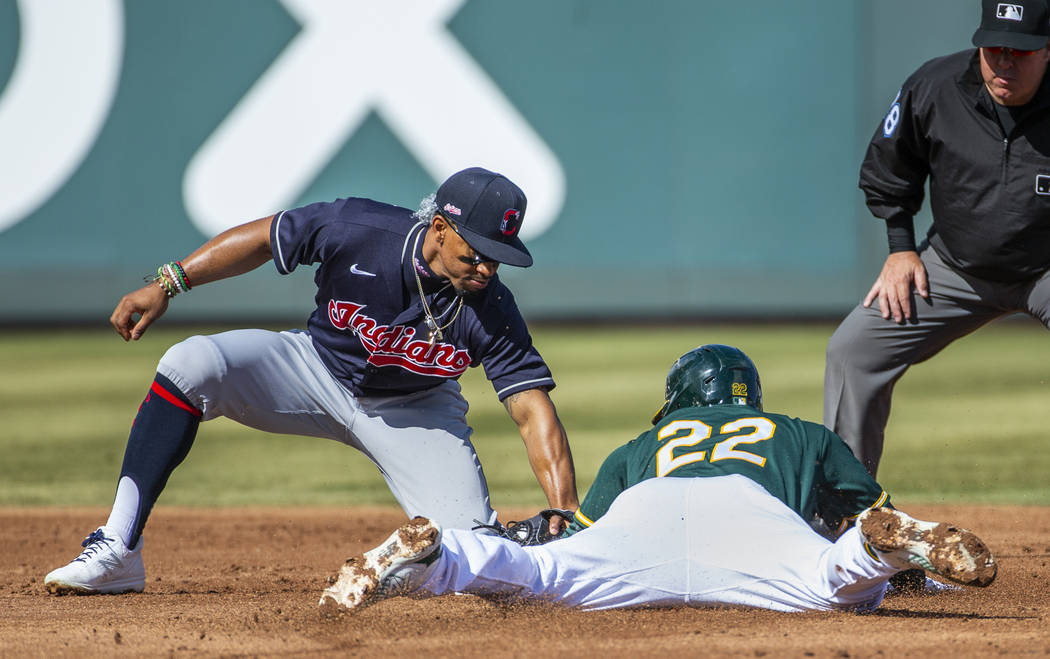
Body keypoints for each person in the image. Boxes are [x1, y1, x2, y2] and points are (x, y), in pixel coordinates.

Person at [44, 166, 579, 595]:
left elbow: (532, 410)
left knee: (473, 556)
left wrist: (565, 510)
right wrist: (169, 281)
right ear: (440, 229)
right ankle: (118, 548)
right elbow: (261, 238)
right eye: (476, 254)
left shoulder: (493, 307)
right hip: (314, 370)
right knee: (190, 364)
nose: (486, 270)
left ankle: (416, 569)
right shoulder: (362, 230)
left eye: (498, 259)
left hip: (417, 409)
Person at [318, 345, 997, 615]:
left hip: (642, 515)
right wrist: (907, 567)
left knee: (542, 576)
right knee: (834, 583)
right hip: (752, 524)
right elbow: (865, 503)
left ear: (677, 402)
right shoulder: (799, 432)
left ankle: (441, 556)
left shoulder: (643, 443)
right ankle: (879, 548)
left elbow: (569, 535)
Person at [824, 0, 1050, 476]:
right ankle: (844, 508)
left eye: (1022, 51)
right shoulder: (935, 86)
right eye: (996, 48)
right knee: (853, 351)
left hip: (1045, 270)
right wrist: (900, 248)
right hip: (954, 269)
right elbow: (889, 168)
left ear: (1048, 51)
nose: (1006, 61)